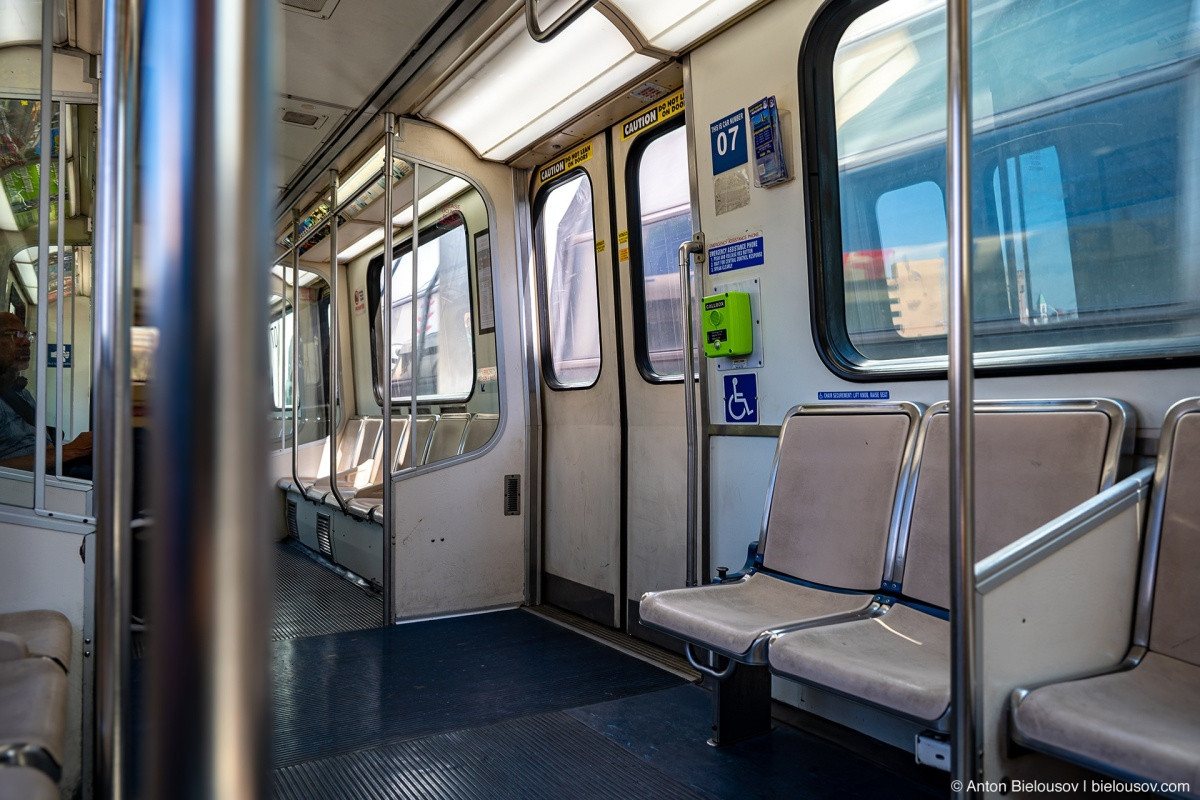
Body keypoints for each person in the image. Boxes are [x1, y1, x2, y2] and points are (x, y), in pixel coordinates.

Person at [0, 311, 92, 474]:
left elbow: (47, 448)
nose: (26, 342)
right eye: (15, 335)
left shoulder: (22, 394)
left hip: (49, 470)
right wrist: (73, 450)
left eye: (27, 335)